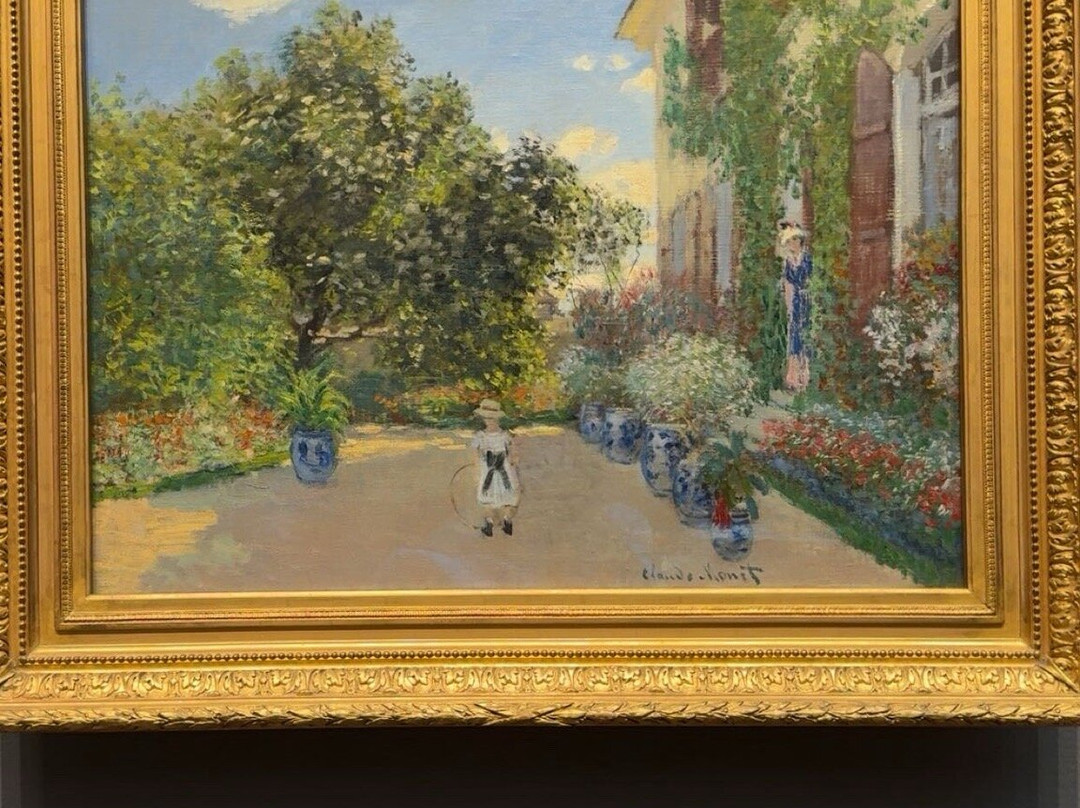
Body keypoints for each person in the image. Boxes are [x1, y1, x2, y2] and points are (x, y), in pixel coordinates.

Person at [471, 399, 521, 537]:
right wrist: (476, 471)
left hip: (504, 470)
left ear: (497, 419)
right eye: (487, 418)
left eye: (492, 418)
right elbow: (475, 455)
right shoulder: (480, 436)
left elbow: (513, 453)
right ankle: (489, 523)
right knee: (487, 498)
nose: (489, 421)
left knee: (509, 497)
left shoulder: (505, 435)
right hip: (487, 470)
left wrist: (513, 460)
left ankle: (507, 520)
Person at [777, 221, 812, 392]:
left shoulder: (807, 259)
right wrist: (789, 305)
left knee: (806, 337)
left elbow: (811, 280)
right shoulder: (789, 262)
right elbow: (788, 284)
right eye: (789, 242)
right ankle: (793, 379)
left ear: (799, 241)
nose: (792, 244)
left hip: (807, 300)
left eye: (794, 240)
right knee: (794, 338)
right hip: (796, 302)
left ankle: (805, 378)